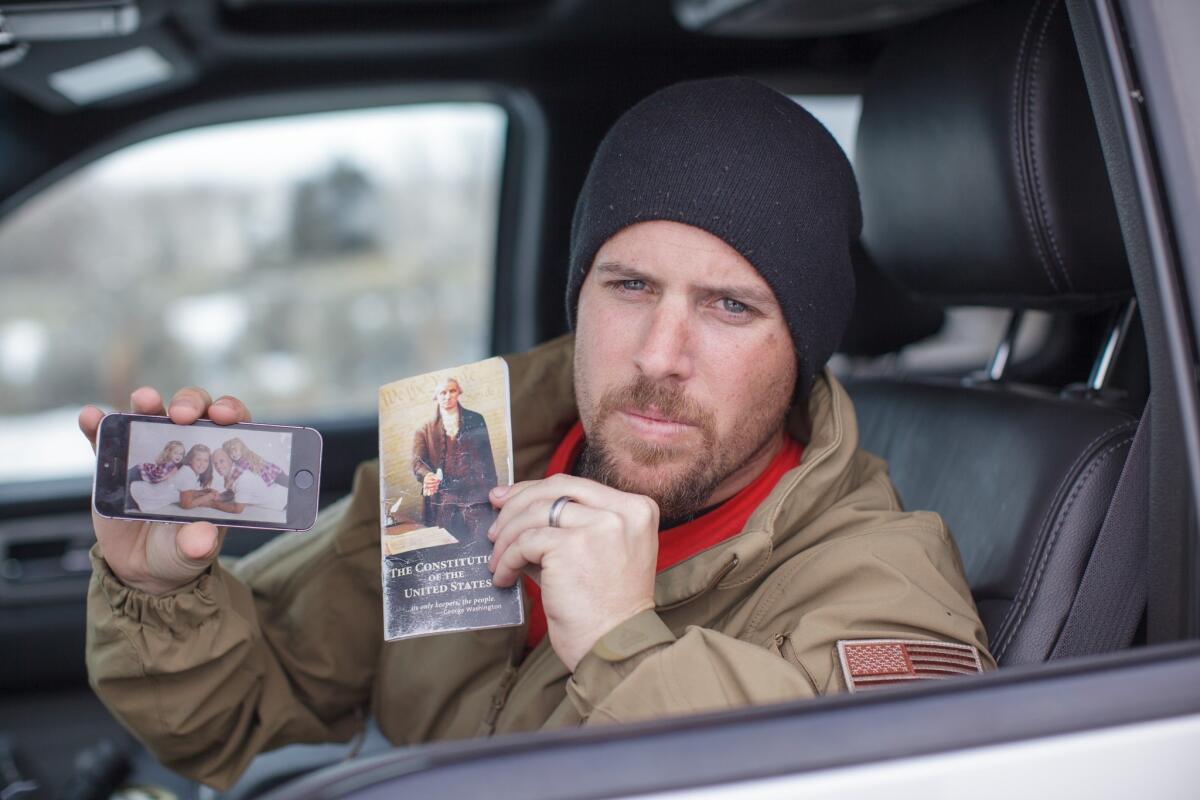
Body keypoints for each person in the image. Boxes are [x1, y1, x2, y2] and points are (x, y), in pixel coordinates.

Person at [79, 77, 992, 791]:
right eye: (630, 286)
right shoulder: (457, 454)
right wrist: (157, 592)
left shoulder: (878, 574)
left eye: (729, 305)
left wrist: (623, 643)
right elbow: (239, 715)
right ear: (580, 295)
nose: (660, 354)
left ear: (801, 345)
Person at [411, 377, 499, 544]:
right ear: (436, 397)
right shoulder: (424, 430)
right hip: (443, 496)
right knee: (445, 545)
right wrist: (428, 476)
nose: (448, 396)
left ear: (459, 393)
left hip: (475, 494)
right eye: (442, 392)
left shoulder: (476, 419)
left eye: (452, 391)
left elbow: (487, 459)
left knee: (483, 541)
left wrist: (492, 494)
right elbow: (417, 463)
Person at [222, 437, 287, 486]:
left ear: (241, 449)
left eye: (235, 451)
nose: (233, 454)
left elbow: (238, 471)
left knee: (286, 482)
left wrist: (230, 481)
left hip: (273, 473)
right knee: (286, 481)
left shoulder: (244, 460)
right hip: (274, 471)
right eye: (230, 453)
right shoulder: (246, 455)